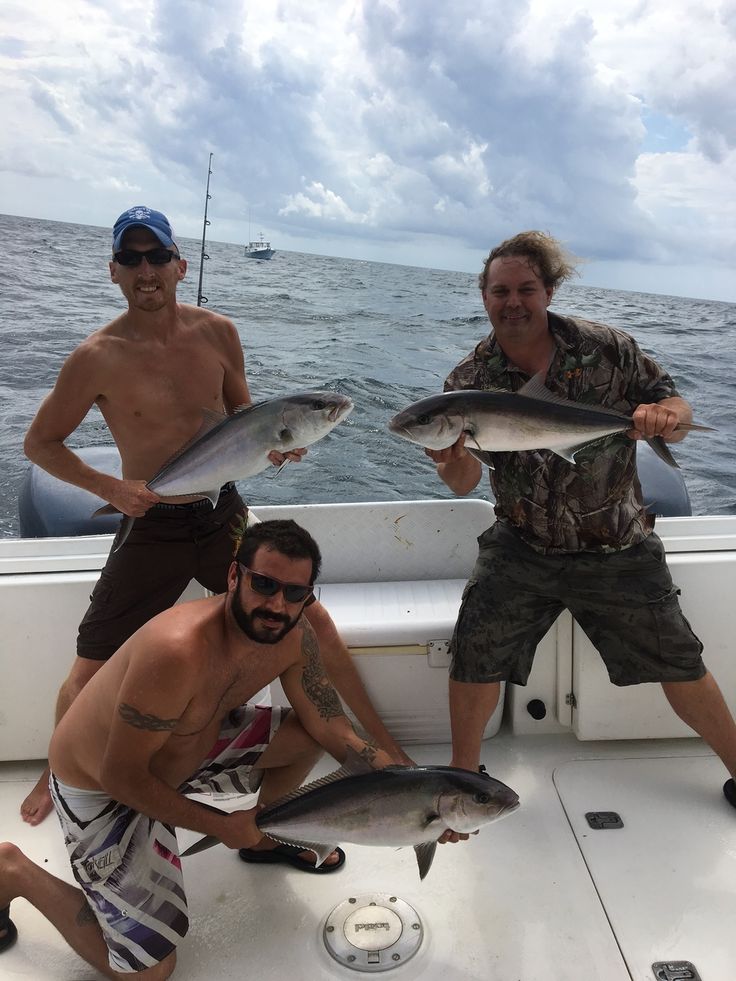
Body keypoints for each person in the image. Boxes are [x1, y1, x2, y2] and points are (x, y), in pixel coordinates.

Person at [20, 204, 410, 827]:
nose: (145, 270)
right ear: (113, 272)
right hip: (151, 519)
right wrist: (112, 489)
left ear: (180, 265)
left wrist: (275, 448)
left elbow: (244, 418)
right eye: (131, 258)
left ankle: (380, 751)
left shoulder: (219, 333)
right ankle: (55, 771)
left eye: (156, 257)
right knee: (93, 659)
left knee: (310, 623)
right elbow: (40, 444)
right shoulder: (95, 357)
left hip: (221, 512)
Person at [0, 520, 407, 975]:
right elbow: (122, 776)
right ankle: (14, 872)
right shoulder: (177, 651)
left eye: (296, 593)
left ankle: (268, 838)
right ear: (234, 576)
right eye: (264, 584)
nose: (277, 604)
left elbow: (332, 728)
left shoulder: (293, 634)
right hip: (106, 791)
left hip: (191, 747)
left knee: (305, 735)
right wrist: (223, 824)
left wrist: (408, 787)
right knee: (151, 972)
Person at [426, 230, 736, 808]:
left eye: (526, 289)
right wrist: (452, 464)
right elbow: (467, 481)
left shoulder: (608, 348)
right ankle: (462, 781)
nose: (512, 302)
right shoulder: (468, 382)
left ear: (548, 291)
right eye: (500, 291)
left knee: (680, 662)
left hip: (616, 544)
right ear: (484, 296)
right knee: (474, 653)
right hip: (522, 543)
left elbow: (675, 405)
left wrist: (666, 417)